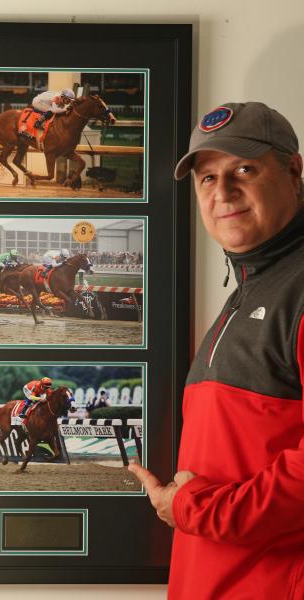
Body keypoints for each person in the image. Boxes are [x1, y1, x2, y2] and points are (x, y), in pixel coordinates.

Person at [129, 102, 304, 599]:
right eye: (207, 178)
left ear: (293, 170)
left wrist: (190, 508)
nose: (223, 193)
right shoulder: (255, 285)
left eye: (243, 170)